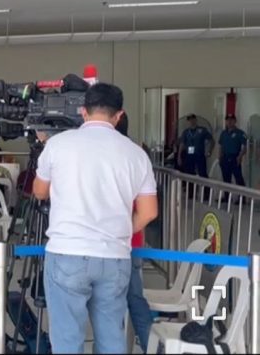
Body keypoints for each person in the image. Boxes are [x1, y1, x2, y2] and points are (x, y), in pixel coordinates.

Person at [32, 83, 158, 354]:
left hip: (67, 253)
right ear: (119, 115)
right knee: (111, 339)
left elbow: (39, 192)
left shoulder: (58, 145)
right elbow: (149, 211)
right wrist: (121, 231)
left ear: (83, 111)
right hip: (115, 257)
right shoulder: (137, 154)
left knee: (67, 342)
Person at [116, 112, 153, 352]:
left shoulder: (103, 155)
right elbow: (147, 208)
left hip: (111, 243)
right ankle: (151, 347)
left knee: (108, 306)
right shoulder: (138, 155)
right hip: (134, 240)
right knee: (136, 300)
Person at [178, 114, 213, 178]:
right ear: (188, 121)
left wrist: (209, 151)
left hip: (200, 155)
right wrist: (179, 156)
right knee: (189, 174)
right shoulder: (186, 132)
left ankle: (204, 184)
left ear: (196, 120)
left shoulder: (202, 130)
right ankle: (190, 184)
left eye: (193, 119)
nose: (191, 121)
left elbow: (211, 141)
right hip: (189, 155)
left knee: (202, 173)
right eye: (189, 120)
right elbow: (182, 144)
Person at [218, 114, 247, 190]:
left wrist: (240, 156)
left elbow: (245, 147)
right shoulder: (223, 133)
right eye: (228, 120)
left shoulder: (240, 133)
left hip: (234, 158)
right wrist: (219, 156)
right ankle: (227, 196)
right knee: (226, 179)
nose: (229, 121)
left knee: (239, 179)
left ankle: (242, 196)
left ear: (235, 121)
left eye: (231, 120)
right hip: (225, 158)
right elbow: (221, 146)